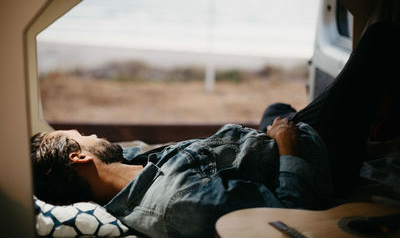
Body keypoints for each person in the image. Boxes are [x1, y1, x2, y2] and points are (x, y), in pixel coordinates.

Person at [31, 21, 399, 237]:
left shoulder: (126, 168)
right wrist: (287, 145)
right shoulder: (179, 202)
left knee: (276, 109)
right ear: (79, 157)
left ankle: (369, 124)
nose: (89, 133)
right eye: (79, 136)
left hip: (264, 145)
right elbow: (291, 210)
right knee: (381, 36)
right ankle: (366, 134)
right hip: (317, 152)